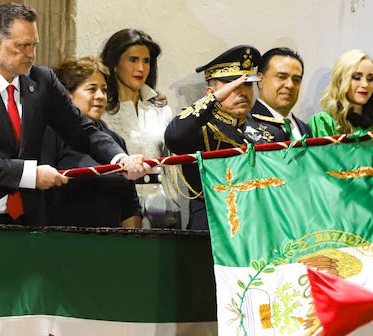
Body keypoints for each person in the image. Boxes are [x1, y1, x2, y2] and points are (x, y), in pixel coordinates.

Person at [0, 2, 148, 226]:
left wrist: (120, 159)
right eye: (23, 46)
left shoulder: (43, 80)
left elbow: (81, 129)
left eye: (34, 45)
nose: (31, 55)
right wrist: (30, 175)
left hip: (28, 219)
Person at [164, 45, 260, 230]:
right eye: (232, 84)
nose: (241, 91)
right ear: (211, 93)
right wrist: (214, 100)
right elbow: (174, 137)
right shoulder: (200, 128)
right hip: (212, 226)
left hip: (255, 227)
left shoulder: (264, 130)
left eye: (247, 84)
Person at [40, 56, 142, 228]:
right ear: (67, 94)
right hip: (63, 242)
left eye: (104, 89)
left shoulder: (115, 141)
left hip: (111, 244)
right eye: (92, 89)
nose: (101, 96)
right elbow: (41, 197)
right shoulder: (51, 134)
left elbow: (130, 206)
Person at [99, 28, 179, 228]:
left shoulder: (161, 109)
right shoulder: (102, 111)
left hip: (162, 205)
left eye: (146, 61)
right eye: (133, 60)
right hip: (119, 205)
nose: (141, 68)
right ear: (115, 64)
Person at [309, 49, 373, 136]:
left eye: (370, 79)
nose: (365, 84)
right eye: (356, 77)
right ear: (340, 81)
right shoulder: (323, 124)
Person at [244, 47, 312, 143]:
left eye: (296, 80)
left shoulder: (305, 129)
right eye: (281, 77)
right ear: (260, 80)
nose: (290, 85)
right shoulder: (246, 126)